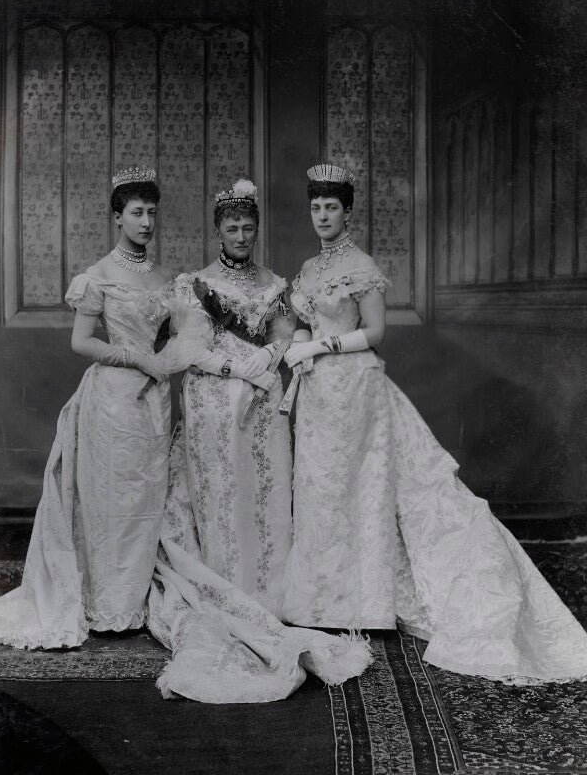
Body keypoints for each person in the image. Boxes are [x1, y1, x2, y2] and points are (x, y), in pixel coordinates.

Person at [281, 162, 587, 685]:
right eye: (316, 207)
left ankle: (362, 603)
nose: (323, 215)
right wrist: (297, 340)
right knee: (320, 489)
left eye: (332, 207)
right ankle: (318, 600)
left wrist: (320, 345)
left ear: (348, 212)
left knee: (359, 489)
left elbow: (376, 332)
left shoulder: (362, 266)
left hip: (356, 388)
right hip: (316, 395)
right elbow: (304, 319)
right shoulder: (308, 268)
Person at [144, 179, 373, 702]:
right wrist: (235, 367)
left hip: (264, 398)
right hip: (212, 397)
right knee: (223, 495)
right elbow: (189, 349)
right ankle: (227, 588)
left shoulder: (275, 283)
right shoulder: (196, 284)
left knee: (264, 494)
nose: (242, 235)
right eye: (233, 227)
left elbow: (288, 333)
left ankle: (269, 594)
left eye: (249, 227)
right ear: (218, 231)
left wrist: (270, 356)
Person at [0, 166, 174, 649]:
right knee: (112, 498)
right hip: (112, 397)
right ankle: (107, 602)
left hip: (155, 397)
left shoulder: (167, 277)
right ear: (117, 218)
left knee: (148, 496)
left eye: (151, 212)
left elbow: (168, 338)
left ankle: (137, 600)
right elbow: (81, 342)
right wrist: (137, 358)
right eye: (136, 213)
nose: (146, 222)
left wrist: (164, 362)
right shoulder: (98, 276)